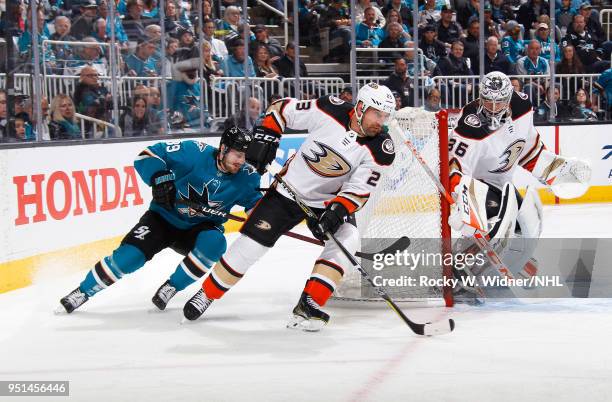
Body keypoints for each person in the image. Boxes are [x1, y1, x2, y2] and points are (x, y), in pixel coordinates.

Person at [182, 83, 397, 331]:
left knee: (348, 237)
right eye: (377, 114)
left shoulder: (382, 148)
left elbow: (359, 189)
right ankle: (207, 293)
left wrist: (336, 213)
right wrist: (268, 134)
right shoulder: (330, 109)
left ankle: (309, 304)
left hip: (326, 202)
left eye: (385, 116)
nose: (381, 121)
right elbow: (281, 108)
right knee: (249, 248)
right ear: (360, 107)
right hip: (287, 191)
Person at [58, 127, 263, 313]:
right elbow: (147, 155)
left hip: (200, 228)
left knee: (215, 244)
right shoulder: (194, 152)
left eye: (245, 155)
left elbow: (255, 206)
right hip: (162, 218)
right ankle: (83, 291)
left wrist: (262, 220)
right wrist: (159, 177)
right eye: (238, 154)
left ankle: (172, 287)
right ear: (223, 148)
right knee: (129, 258)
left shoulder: (248, 176)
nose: (241, 161)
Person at [447, 72, 591, 295]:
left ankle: (517, 262)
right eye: (488, 101)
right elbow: (454, 167)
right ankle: (458, 265)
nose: (493, 107)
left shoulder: (522, 107)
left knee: (523, 226)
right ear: (480, 96)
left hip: (502, 184)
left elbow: (527, 151)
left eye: (500, 101)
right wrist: (461, 199)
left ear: (509, 97)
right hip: (477, 185)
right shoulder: (469, 125)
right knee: (495, 226)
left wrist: (554, 169)